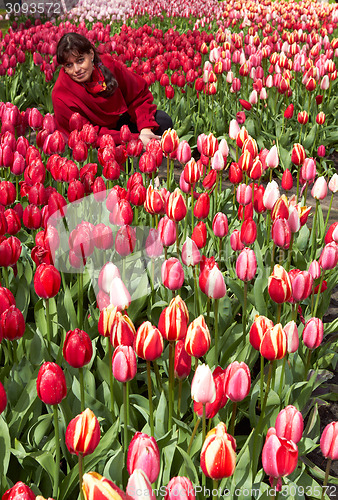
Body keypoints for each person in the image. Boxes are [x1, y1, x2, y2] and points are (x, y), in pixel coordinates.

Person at [52, 32, 173, 147]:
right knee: (112, 155)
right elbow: (84, 134)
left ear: (91, 54)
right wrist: (134, 138)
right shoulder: (61, 94)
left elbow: (138, 96)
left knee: (162, 121)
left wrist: (145, 130)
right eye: (69, 65)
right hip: (94, 140)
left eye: (80, 60)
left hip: (117, 126)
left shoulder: (108, 65)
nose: (77, 69)